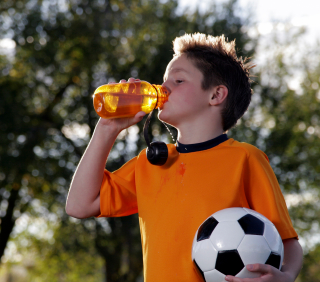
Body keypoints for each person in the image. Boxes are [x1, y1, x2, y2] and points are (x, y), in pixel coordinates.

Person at [65, 33, 303, 281]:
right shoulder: (149, 163)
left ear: (216, 95)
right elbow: (79, 205)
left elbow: (287, 242)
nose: (164, 88)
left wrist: (285, 277)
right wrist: (107, 129)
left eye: (178, 80)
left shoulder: (245, 158)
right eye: (164, 80)